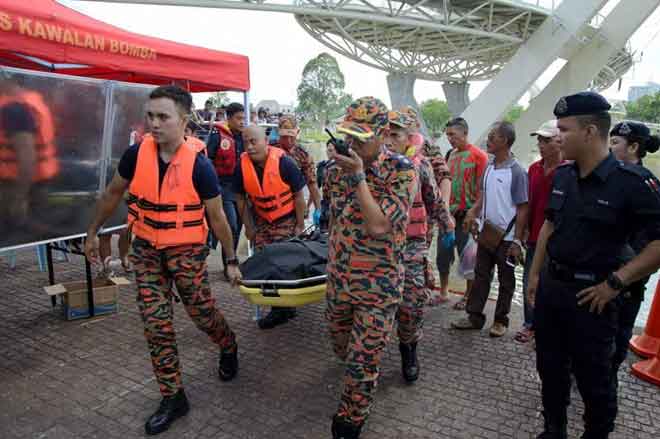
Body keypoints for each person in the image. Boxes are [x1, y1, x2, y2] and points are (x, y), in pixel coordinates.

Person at [84, 85, 242, 436]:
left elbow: (218, 219)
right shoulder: (135, 155)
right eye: (150, 116)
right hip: (146, 251)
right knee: (156, 325)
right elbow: (112, 194)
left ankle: (228, 344)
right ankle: (173, 396)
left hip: (186, 251)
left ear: (183, 120)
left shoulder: (200, 166)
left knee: (202, 313)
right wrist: (92, 231)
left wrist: (231, 259)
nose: (154, 124)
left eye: (163, 117)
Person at [527, 92, 660, 439]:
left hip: (593, 299)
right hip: (553, 291)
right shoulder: (564, 176)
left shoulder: (632, 184)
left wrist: (616, 283)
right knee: (550, 369)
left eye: (564, 130)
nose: (557, 137)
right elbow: (549, 226)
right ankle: (553, 430)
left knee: (595, 382)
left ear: (589, 132)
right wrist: (535, 275)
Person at [324, 97, 416, 439]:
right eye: (348, 136)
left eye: (361, 138)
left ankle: (351, 417)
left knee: (363, 360)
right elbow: (334, 219)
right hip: (340, 280)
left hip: (379, 286)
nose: (352, 144)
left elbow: (379, 226)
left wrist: (359, 177)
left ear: (382, 134)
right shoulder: (335, 170)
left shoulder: (403, 170)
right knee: (341, 347)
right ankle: (359, 379)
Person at [451, 121, 529, 337]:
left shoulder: (517, 171)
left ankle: (501, 320)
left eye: (493, 137)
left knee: (506, 281)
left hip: (507, 237)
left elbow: (523, 208)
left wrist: (517, 240)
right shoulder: (489, 167)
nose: (488, 140)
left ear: (504, 141)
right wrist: (472, 213)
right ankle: (474, 317)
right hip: (486, 233)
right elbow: (482, 197)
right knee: (481, 275)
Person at [387, 110, 448, 382]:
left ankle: (409, 349)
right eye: (385, 134)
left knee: (411, 304)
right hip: (380, 249)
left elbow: (434, 200)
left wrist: (448, 224)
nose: (389, 141)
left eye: (395, 135)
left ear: (408, 137)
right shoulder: (371, 166)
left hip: (412, 246)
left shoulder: (420, 164)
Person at [235, 125, 307, 329]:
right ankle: (279, 307)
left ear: (265, 142)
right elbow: (240, 199)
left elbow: (299, 196)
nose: (249, 146)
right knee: (264, 262)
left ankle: (284, 308)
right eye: (245, 141)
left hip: (286, 219)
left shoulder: (285, 163)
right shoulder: (241, 166)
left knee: (283, 262)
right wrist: (248, 227)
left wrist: (300, 225)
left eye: (253, 141)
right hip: (262, 221)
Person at [609, 121, 660, 382]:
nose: (610, 147)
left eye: (616, 143)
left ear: (634, 147)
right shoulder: (603, 178)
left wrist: (625, 275)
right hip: (598, 275)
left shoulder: (646, 187)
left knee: (619, 333)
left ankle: (608, 379)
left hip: (627, 280)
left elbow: (651, 243)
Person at [400, 106, 453, 305]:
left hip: (421, 218)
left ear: (417, 125)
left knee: (416, 259)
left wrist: (444, 212)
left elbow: (444, 177)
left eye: (409, 123)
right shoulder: (386, 149)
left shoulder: (428, 150)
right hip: (394, 219)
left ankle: (418, 292)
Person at [516, 120, 563, 344]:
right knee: (529, 281)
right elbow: (528, 204)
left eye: (546, 140)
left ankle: (548, 328)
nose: (541, 144)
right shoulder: (534, 169)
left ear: (559, 141)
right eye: (539, 140)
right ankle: (530, 324)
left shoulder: (569, 170)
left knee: (554, 286)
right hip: (534, 237)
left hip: (559, 241)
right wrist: (521, 233)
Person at [437, 118, 488, 309]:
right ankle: (443, 292)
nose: (450, 139)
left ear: (465, 133)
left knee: (468, 257)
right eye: (448, 135)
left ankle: (468, 295)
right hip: (448, 216)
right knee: (443, 254)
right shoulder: (450, 154)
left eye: (453, 135)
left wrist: (475, 214)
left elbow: (483, 189)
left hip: (468, 215)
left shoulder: (479, 156)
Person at [0, 81, 59, 232]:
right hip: (34, 184)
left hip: (17, 186)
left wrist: (19, 198)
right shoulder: (30, 100)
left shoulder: (14, 109)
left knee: (11, 235)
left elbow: (27, 156)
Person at [209, 102, 245, 279]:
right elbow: (208, 160)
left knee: (239, 226)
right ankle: (229, 263)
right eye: (238, 118)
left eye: (243, 118)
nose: (241, 122)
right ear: (229, 118)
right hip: (222, 186)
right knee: (230, 224)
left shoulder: (244, 137)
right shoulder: (217, 135)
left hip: (240, 189)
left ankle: (231, 258)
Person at [274, 115, 322, 214]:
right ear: (278, 132)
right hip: (273, 202)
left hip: (295, 204)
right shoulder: (269, 149)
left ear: (297, 133)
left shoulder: (303, 154)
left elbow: (312, 183)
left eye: (292, 137)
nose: (288, 141)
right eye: (284, 137)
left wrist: (318, 209)